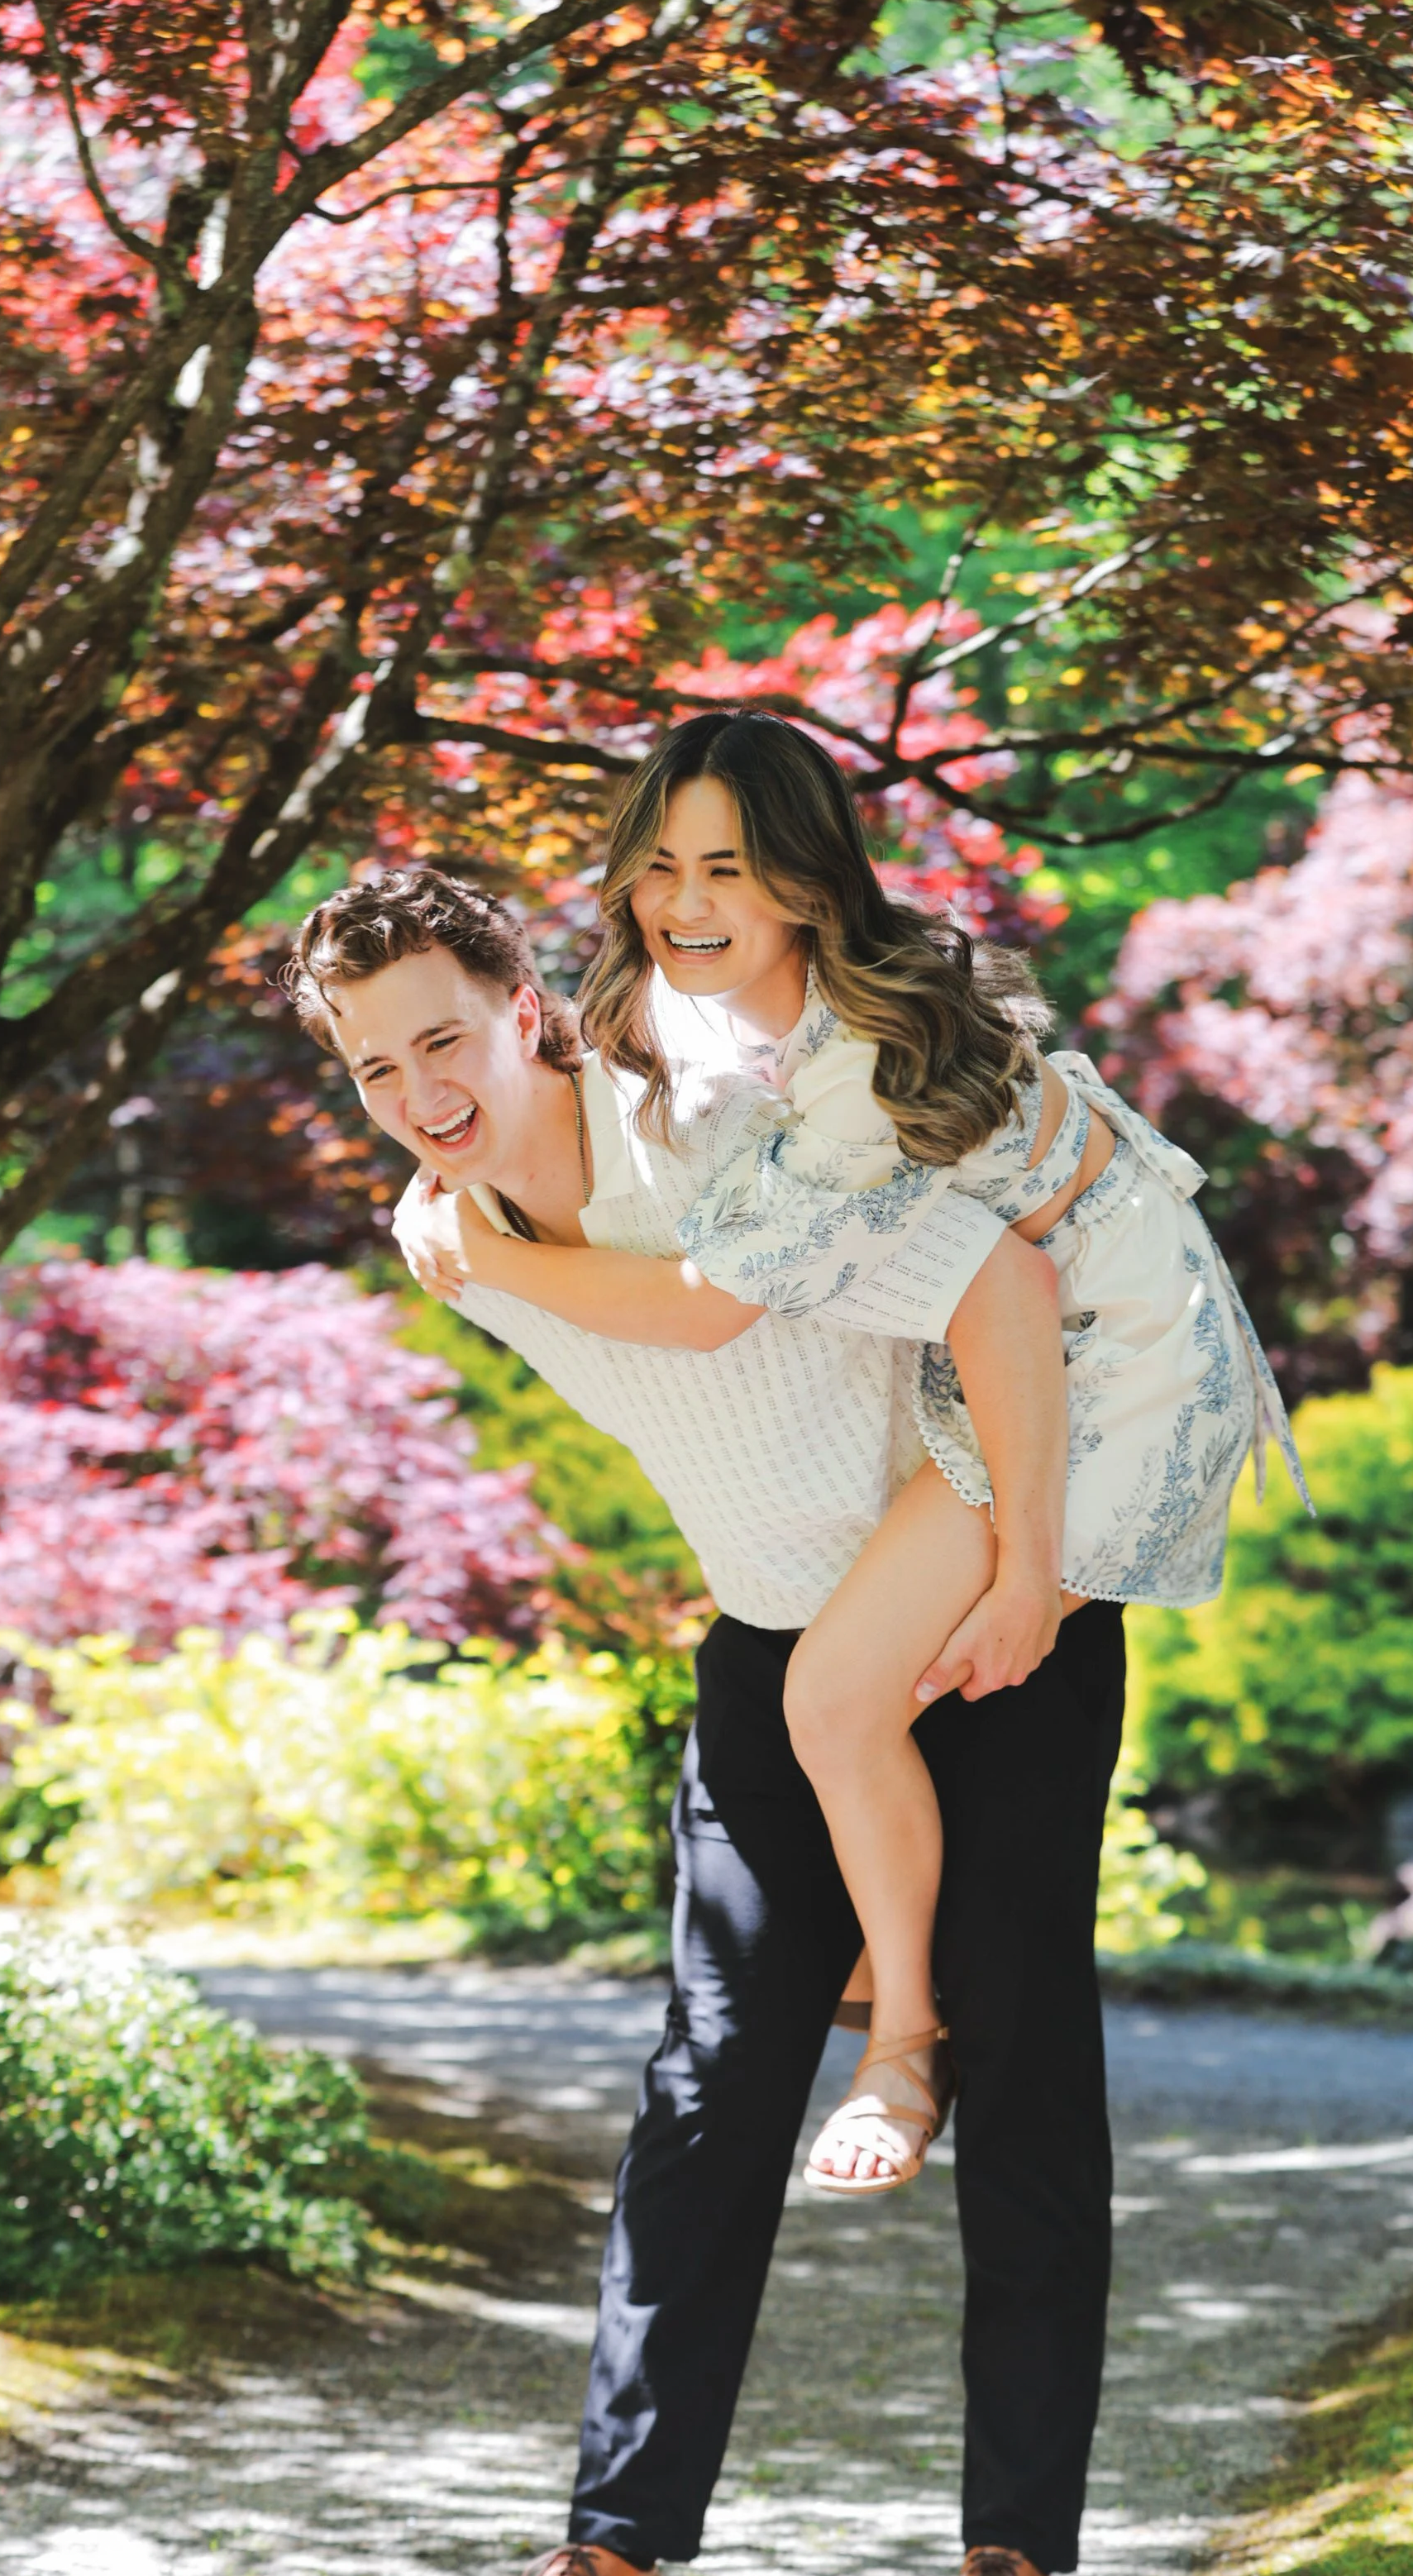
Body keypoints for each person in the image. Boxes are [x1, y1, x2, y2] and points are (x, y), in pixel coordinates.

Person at [285, 862, 1119, 2576]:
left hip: (982, 1618)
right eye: (370, 1068)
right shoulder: (447, 1236)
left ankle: (1006, 2566)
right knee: (703, 2090)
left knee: (1027, 2078)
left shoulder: (712, 1117)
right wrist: (492, 1251)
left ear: (528, 1008)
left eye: (443, 1035)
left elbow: (902, 1294)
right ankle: (611, 2549)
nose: (420, 1091)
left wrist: (1038, 1567)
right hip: (772, 1654)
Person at [422, 710, 1303, 2203]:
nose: (685, 904)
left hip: (1113, 1362)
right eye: (660, 867)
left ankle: (906, 2043)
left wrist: (477, 1257)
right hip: (1013, 1357)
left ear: (810, 889)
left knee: (835, 1690)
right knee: (850, 1701)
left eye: (730, 871)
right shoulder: (730, 1014)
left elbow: (711, 1309)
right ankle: (894, 1981)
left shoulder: (856, 1053)